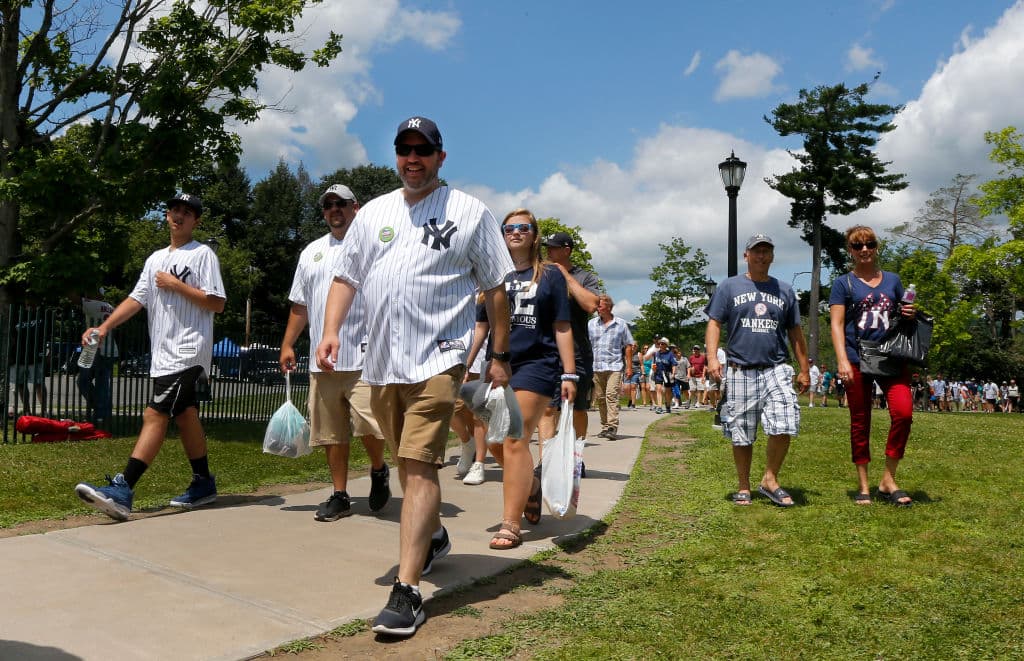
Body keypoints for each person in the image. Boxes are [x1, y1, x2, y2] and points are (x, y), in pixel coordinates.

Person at [315, 116, 513, 638]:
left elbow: (496, 288)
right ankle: (435, 536)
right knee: (406, 462)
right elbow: (345, 276)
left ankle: (407, 590)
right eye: (404, 149)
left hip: (439, 358)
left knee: (419, 463)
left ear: (440, 157)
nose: (413, 158)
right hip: (382, 363)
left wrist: (499, 352)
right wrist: (331, 330)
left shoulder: (469, 212)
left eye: (423, 150)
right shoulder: (374, 214)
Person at [75, 193, 226, 520]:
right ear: (167, 216)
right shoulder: (155, 259)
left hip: (188, 351)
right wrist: (103, 328)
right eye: (174, 210)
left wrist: (176, 284)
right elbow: (136, 299)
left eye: (187, 213)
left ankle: (123, 489)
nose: (179, 216)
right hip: (164, 354)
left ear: (196, 220)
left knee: (155, 414)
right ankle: (203, 482)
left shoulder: (202, 255)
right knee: (185, 415)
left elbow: (217, 303)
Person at [279, 183, 390, 522]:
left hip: (365, 356)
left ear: (356, 207)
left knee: (370, 426)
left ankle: (378, 468)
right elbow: (300, 304)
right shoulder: (311, 252)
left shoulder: (374, 247)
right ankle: (340, 494)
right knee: (331, 433)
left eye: (340, 203)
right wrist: (288, 343)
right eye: (328, 205)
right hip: (323, 361)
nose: (334, 210)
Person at [480, 209, 575, 551]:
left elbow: (561, 326)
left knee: (514, 437)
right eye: (509, 228)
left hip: (537, 364)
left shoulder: (550, 275)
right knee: (495, 441)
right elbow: (481, 324)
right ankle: (531, 486)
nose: (516, 232)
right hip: (500, 364)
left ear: (535, 235)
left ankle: (511, 523)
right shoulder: (494, 275)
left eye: (523, 227)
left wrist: (569, 373)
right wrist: (468, 363)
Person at [705, 234, 810, 507]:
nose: (761, 256)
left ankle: (769, 480)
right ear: (746, 255)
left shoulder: (784, 290)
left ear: (772, 256)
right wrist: (712, 358)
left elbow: (795, 331)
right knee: (741, 431)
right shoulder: (729, 287)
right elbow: (714, 323)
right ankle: (744, 486)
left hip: (776, 367)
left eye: (766, 251)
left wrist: (804, 368)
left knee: (786, 419)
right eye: (756, 251)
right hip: (740, 368)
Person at [829, 225, 916, 507]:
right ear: (850, 251)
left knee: (903, 413)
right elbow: (836, 324)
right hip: (857, 358)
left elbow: (902, 316)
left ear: (877, 247)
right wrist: (842, 359)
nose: (864, 249)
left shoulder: (893, 280)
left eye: (869, 244)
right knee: (860, 420)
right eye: (858, 246)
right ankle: (864, 485)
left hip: (891, 357)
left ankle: (888, 479)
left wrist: (909, 312)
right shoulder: (843, 283)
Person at [536, 231, 599, 444]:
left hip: (578, 353)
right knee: (548, 408)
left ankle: (576, 455)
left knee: (576, 408)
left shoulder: (585, 277)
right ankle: (546, 458)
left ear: (567, 250)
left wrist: (564, 274)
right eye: (547, 247)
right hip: (547, 351)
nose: (548, 251)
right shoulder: (541, 275)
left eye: (553, 248)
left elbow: (591, 305)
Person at [588, 294, 634, 440]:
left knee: (611, 395)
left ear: (609, 307)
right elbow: (586, 345)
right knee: (600, 398)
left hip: (614, 366)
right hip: (596, 366)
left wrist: (629, 367)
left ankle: (612, 427)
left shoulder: (621, 324)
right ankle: (605, 427)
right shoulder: (591, 324)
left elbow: (628, 345)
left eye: (600, 305)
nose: (597, 308)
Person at [71, 290, 118, 427]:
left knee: (85, 381)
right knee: (100, 383)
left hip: (95, 348)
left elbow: (73, 298)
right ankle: (101, 410)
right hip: (109, 349)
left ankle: (101, 413)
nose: (87, 295)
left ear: (97, 295)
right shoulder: (110, 307)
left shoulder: (92, 304)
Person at [648, 338, 677, 414]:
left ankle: (668, 405)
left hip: (667, 374)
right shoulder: (656, 354)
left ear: (666, 345)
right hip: (658, 374)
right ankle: (660, 407)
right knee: (658, 389)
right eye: (660, 343)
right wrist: (653, 368)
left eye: (662, 344)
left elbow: (674, 365)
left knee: (668, 391)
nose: (660, 345)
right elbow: (654, 364)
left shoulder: (670, 354)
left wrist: (673, 374)